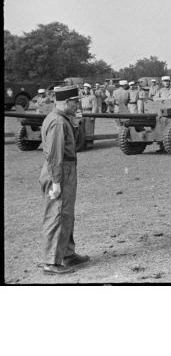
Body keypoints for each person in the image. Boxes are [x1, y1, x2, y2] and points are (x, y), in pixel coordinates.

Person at [39, 85, 90, 274]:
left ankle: (67, 254)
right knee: (57, 214)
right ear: (66, 102)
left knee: (65, 214)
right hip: (59, 170)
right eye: (75, 101)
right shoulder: (58, 122)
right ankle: (51, 262)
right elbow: (55, 155)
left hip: (64, 169)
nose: (78, 104)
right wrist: (57, 182)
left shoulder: (62, 119)